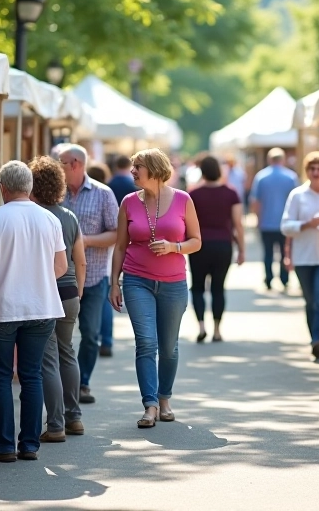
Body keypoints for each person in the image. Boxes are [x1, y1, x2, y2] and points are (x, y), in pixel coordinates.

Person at [0, 160, 67, 462]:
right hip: (42, 308)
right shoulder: (50, 219)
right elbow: (61, 266)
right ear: (29, 187)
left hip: (3, 309)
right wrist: (34, 277)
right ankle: (29, 445)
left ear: (3, 188)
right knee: (32, 375)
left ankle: (3, 445)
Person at [110, 148, 202, 428]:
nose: (132, 171)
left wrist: (174, 247)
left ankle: (165, 399)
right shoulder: (128, 201)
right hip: (137, 280)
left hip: (174, 283)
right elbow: (120, 246)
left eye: (138, 166)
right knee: (146, 343)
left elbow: (196, 241)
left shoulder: (183, 200)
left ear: (154, 169)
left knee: (169, 347)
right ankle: (149, 404)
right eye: (133, 166)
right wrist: (114, 282)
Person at [51, 143, 119, 404]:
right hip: (60, 279)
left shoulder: (103, 194)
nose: (58, 167)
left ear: (76, 164)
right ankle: (63, 384)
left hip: (93, 278)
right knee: (58, 339)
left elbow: (115, 233)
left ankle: (83, 383)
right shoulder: (56, 195)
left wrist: (85, 241)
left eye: (61, 163)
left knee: (90, 334)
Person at [29, 156, 87, 441]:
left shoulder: (35, 217)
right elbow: (81, 261)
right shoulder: (70, 216)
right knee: (68, 352)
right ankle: (74, 417)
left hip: (45, 294)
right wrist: (80, 290)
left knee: (48, 360)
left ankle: (55, 425)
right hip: (70, 293)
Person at [281, 151, 319, 359]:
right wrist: (307, 224)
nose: (316, 173)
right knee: (310, 300)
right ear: (306, 171)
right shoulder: (297, 195)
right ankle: (313, 336)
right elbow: (285, 226)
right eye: (312, 169)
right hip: (303, 257)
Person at [189, 155, 245, 343]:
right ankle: (217, 330)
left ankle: (201, 326)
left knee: (197, 287)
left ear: (202, 171)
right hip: (223, 245)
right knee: (218, 288)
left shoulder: (194, 194)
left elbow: (187, 222)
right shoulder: (230, 193)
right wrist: (242, 249)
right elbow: (238, 223)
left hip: (199, 245)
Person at [250, 147, 298, 291]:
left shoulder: (261, 177)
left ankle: (269, 279)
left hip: (266, 222)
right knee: (285, 251)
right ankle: (284, 279)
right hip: (285, 223)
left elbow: (255, 201)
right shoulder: (291, 177)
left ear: (269, 159)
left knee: (268, 253)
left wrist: (257, 218)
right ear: (282, 159)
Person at [85, 158, 117, 358]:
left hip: (97, 266)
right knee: (103, 305)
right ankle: (106, 340)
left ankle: (104, 341)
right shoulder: (107, 193)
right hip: (102, 264)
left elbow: (115, 230)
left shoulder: (104, 194)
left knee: (100, 304)